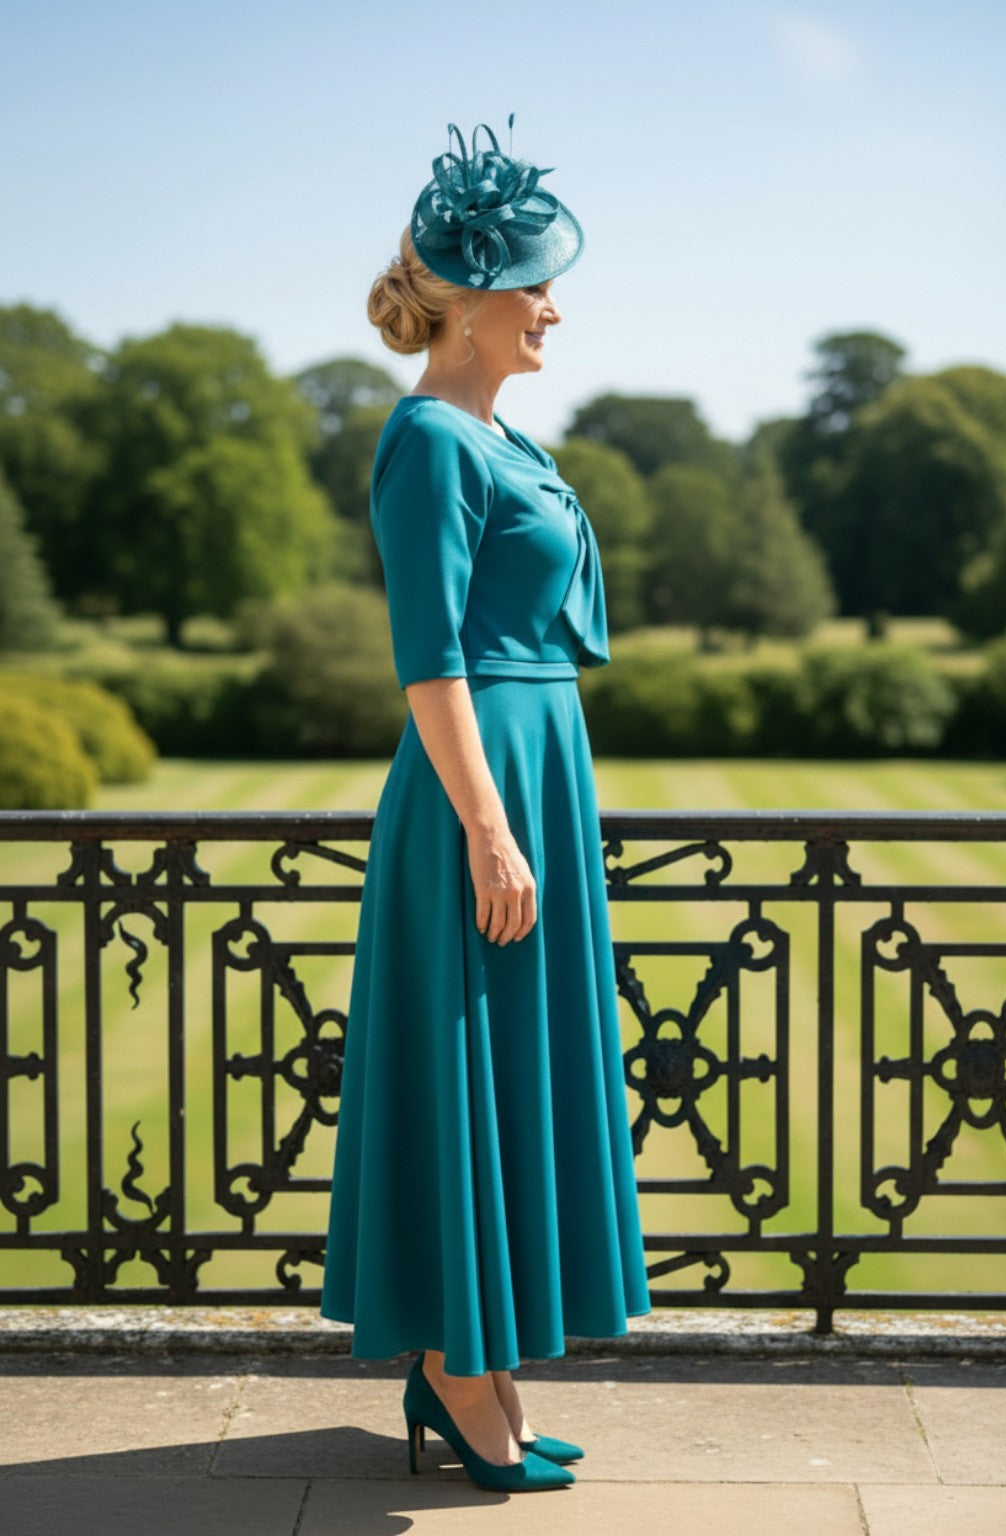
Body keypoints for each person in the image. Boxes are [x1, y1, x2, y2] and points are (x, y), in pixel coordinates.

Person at [321, 119, 650, 1494]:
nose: (556, 307)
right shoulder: (427, 446)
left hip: (532, 780)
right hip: (480, 800)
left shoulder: (495, 437)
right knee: (471, 1069)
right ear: (469, 299)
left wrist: (524, 811)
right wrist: (490, 827)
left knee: (515, 1075)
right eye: (536, 285)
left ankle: (485, 1366)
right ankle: (455, 1374)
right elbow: (432, 660)